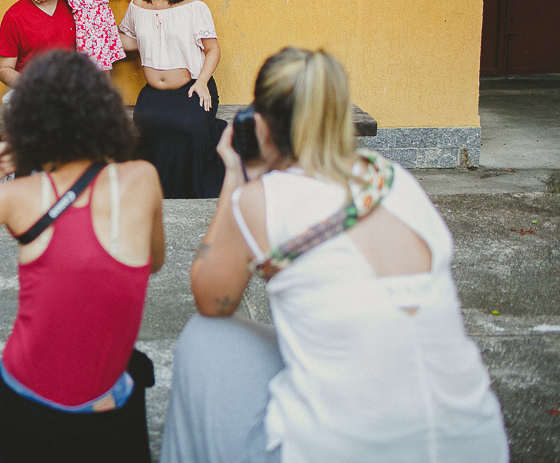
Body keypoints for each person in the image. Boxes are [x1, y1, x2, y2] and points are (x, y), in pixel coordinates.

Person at [161, 47, 509, 463]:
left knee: (202, 338)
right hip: (478, 443)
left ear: (262, 125)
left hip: (341, 452)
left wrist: (235, 175)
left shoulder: (263, 200)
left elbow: (211, 299)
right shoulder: (391, 178)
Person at [0, 50, 165, 462]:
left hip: (24, 405)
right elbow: (154, 262)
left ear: (28, 123)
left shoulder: (20, 196)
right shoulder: (143, 179)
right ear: (104, 111)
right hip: (109, 411)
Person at [118, 0, 225, 198]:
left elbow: (213, 49)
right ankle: (159, 195)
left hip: (191, 88)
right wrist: (92, 24)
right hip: (154, 94)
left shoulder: (194, 7)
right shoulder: (137, 7)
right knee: (147, 121)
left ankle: (191, 195)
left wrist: (202, 82)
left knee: (190, 125)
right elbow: (128, 41)